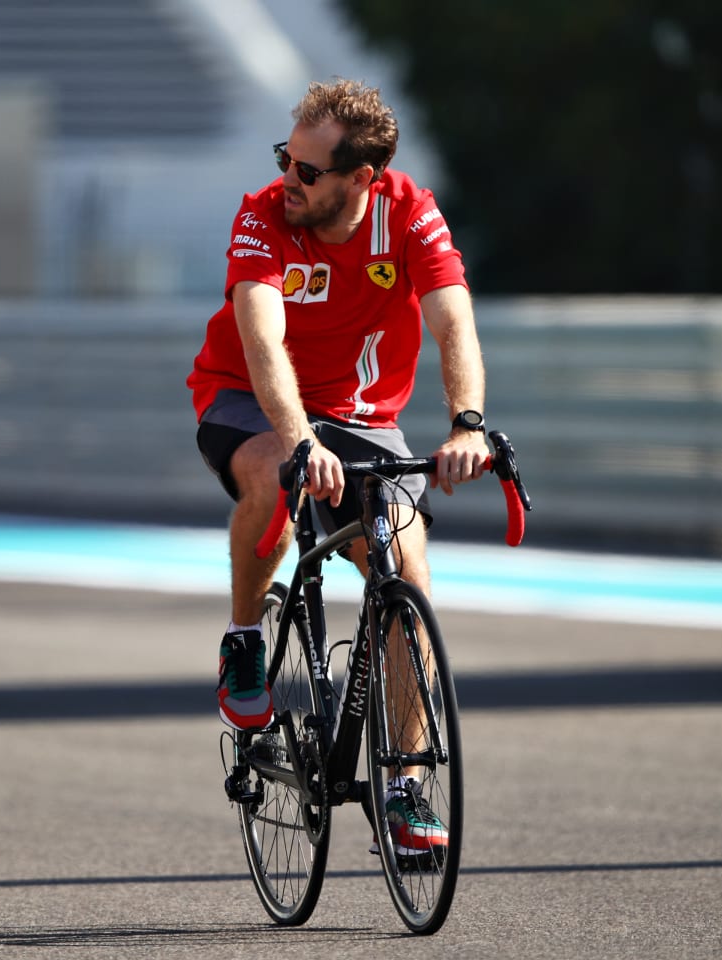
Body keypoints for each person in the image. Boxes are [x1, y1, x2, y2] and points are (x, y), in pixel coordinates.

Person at [187, 78, 488, 851]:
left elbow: (452, 314)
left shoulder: (408, 212)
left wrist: (468, 422)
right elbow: (260, 335)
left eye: (308, 171)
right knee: (269, 481)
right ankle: (245, 637)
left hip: (361, 418)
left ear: (362, 178)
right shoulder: (263, 215)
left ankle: (406, 784)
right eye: (286, 158)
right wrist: (297, 442)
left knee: (407, 570)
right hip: (250, 400)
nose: (289, 178)